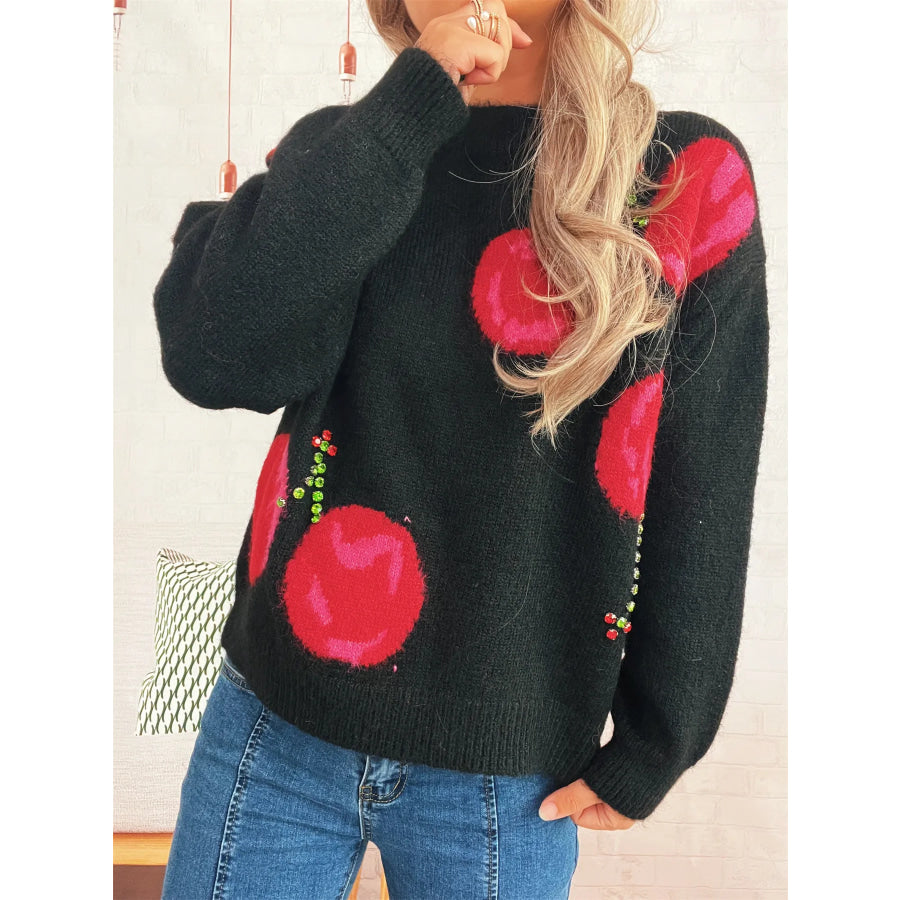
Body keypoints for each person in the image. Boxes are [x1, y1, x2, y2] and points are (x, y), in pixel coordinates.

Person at [154, 1, 769, 897]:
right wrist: (407, 111)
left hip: (505, 774)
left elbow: (703, 476)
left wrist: (661, 734)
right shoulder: (350, 150)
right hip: (274, 726)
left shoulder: (681, 178)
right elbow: (214, 357)